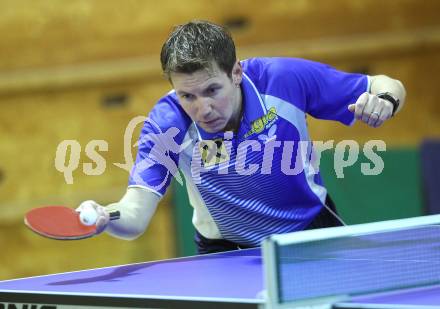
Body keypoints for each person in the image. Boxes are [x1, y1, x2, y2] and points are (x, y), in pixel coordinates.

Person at [77, 20, 406, 254]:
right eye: (187, 96)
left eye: (211, 90)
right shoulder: (167, 124)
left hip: (308, 233)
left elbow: (386, 84)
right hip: (225, 250)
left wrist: (384, 101)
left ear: (236, 73)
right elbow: (135, 215)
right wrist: (107, 218)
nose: (202, 109)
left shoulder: (283, 81)